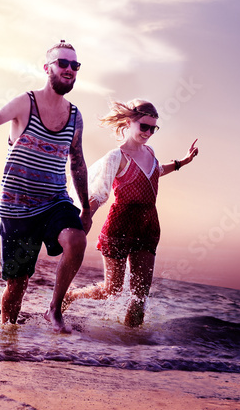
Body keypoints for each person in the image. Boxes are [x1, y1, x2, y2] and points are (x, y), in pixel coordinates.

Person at [0, 40, 92, 333]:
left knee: (76, 240)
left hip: (55, 200)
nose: (69, 70)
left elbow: (77, 162)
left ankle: (54, 309)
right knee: (17, 285)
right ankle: (7, 337)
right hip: (17, 206)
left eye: (74, 66)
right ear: (47, 68)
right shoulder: (25, 103)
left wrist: (87, 208)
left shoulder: (76, 117)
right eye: (62, 64)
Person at [67, 99, 198, 327]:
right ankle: (71, 296)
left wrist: (183, 162)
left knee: (140, 296)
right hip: (120, 227)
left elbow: (156, 171)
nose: (148, 133)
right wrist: (85, 216)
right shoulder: (116, 157)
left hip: (149, 227)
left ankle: (130, 353)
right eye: (144, 127)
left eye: (153, 128)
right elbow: (100, 193)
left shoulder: (150, 152)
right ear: (129, 122)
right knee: (112, 290)